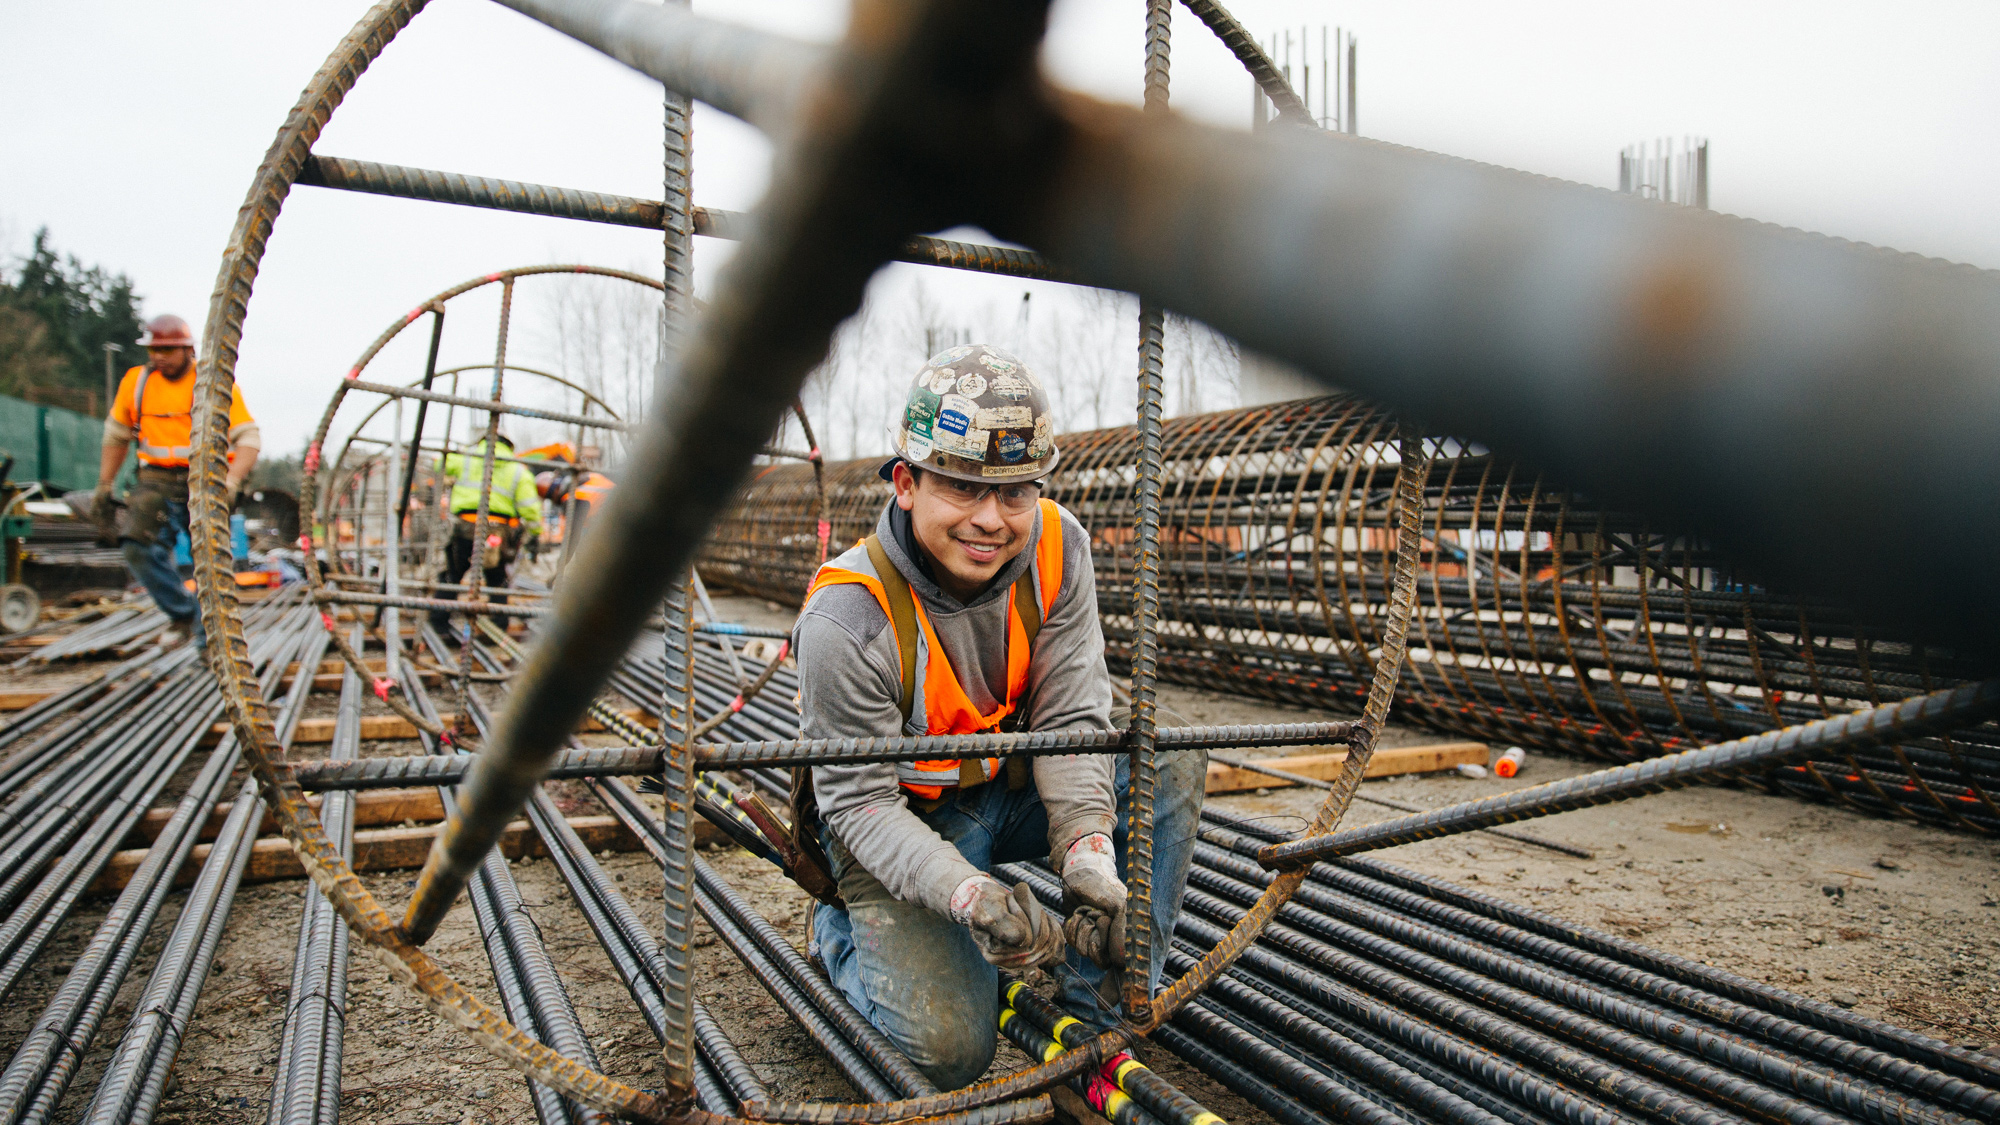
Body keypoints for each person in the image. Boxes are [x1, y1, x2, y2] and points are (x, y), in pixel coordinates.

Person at [791, 345, 1204, 1089]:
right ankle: (838, 936)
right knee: (947, 1053)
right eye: (961, 486)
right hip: (900, 820)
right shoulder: (848, 618)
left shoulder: (1058, 546)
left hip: (1003, 793)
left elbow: (1076, 714)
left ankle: (1095, 1010)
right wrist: (969, 894)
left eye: (1016, 492)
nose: (991, 518)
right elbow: (857, 804)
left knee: (1164, 754)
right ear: (908, 483)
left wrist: (1086, 855)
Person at [92, 315, 260, 649]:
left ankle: (207, 646)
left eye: (168, 350)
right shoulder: (136, 383)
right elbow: (116, 435)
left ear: (188, 349)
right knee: (136, 546)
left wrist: (232, 481)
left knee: (209, 563)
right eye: (154, 350)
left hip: (206, 480)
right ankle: (182, 613)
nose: (159, 357)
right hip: (155, 479)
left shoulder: (211, 383)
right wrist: (104, 484)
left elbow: (248, 438)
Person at [427, 431, 541, 634]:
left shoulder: (468, 457)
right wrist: (535, 533)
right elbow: (530, 508)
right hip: (497, 531)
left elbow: (439, 463)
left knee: (452, 576)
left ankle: (438, 624)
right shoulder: (517, 469)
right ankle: (499, 624)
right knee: (497, 579)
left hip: (465, 526)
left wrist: (458, 451)